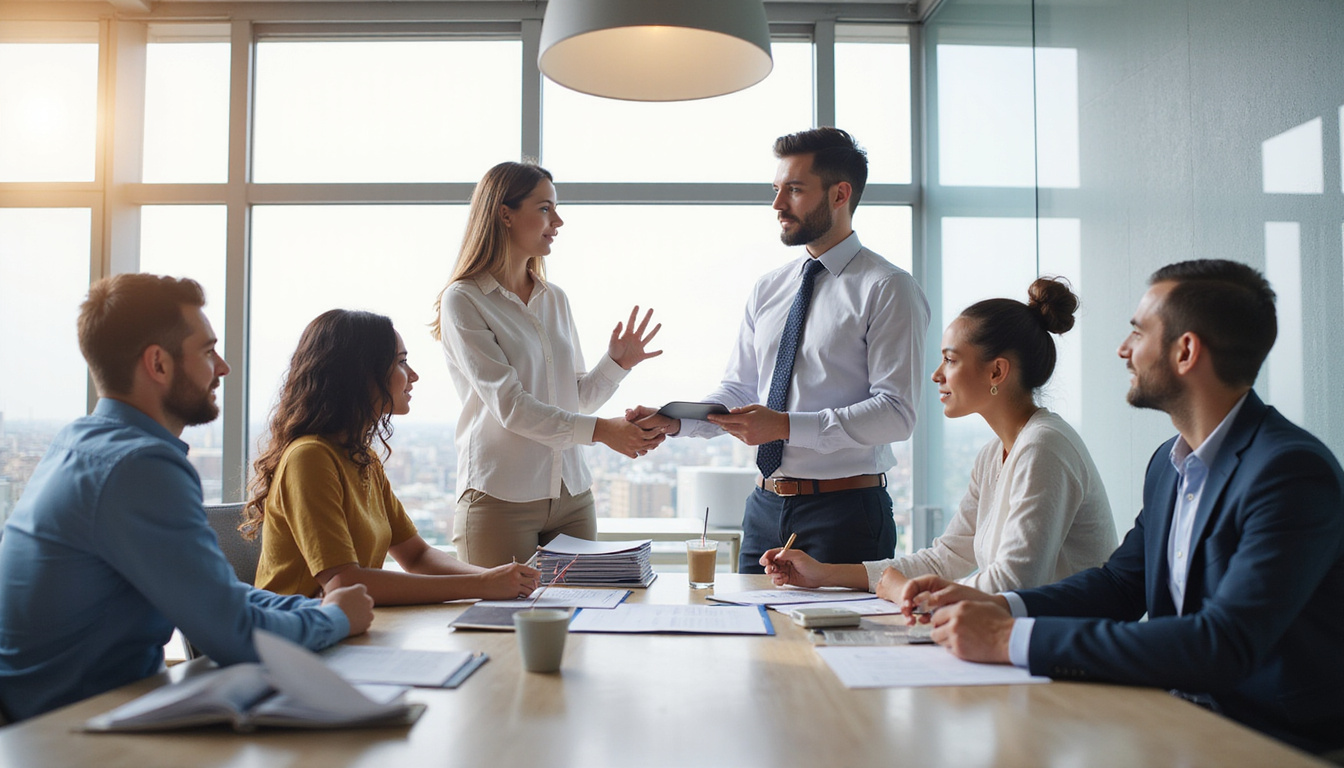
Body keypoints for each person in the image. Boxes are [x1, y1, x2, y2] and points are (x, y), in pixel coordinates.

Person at [899, 260, 1344, 756]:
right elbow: (1119, 586)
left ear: (1186, 351)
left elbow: (1222, 644)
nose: (1123, 349)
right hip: (1178, 716)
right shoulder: (1169, 465)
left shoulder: (1290, 472)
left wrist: (1009, 639)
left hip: (1273, 740)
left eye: (1138, 331)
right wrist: (993, 605)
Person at [0, 274, 373, 723]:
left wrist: (316, 607)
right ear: (158, 364)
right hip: (70, 728)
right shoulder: (139, 466)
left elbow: (216, 594)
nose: (223, 367)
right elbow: (233, 633)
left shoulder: (81, 442)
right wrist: (335, 620)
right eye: (207, 351)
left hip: (67, 712)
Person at [628, 127, 931, 572]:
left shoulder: (887, 287)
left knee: (836, 641)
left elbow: (896, 413)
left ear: (839, 194)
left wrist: (786, 426)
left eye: (794, 190)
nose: (777, 205)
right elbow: (739, 388)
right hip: (764, 508)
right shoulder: (769, 288)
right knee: (752, 636)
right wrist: (678, 420)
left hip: (846, 512)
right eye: (776, 190)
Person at [761, 278, 1117, 597]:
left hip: (1067, 651)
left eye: (950, 360)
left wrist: (907, 592)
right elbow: (946, 558)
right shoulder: (995, 453)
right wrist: (823, 574)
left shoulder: (1044, 447)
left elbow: (1013, 583)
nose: (936, 375)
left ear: (996, 371)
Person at [432, 161, 664, 567]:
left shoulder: (554, 298)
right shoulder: (464, 300)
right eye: (544, 209)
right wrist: (604, 433)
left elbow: (574, 402)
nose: (557, 220)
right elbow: (511, 406)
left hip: (572, 495)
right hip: (500, 497)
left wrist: (616, 364)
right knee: (498, 627)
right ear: (505, 213)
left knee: (578, 621)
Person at [246, 309, 540, 603]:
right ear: (360, 373)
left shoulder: (362, 458)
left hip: (344, 629)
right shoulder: (309, 458)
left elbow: (417, 555)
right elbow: (343, 582)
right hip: (293, 637)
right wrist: (482, 587)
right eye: (401, 361)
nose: (413, 375)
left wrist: (495, 579)